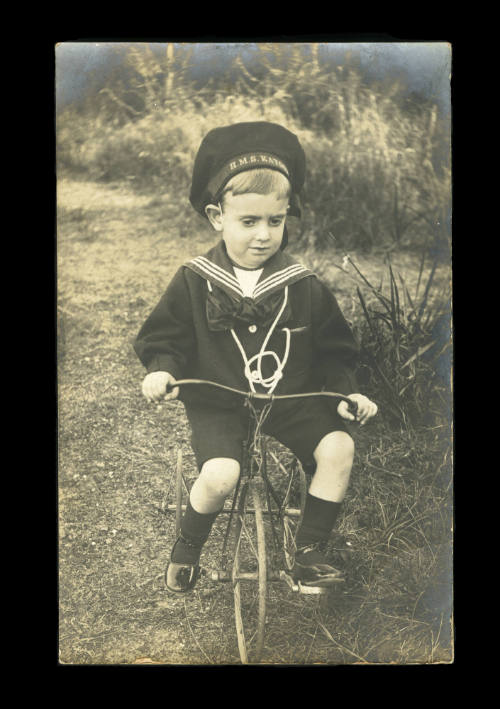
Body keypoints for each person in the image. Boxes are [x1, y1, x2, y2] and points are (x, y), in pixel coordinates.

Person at [134, 121, 378, 594]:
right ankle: (187, 547)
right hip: (220, 399)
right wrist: (162, 369)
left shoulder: (302, 283)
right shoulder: (195, 279)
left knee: (339, 447)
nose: (264, 235)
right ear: (215, 217)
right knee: (222, 473)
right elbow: (166, 335)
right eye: (248, 222)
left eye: (276, 220)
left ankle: (308, 551)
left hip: (292, 397)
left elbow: (334, 348)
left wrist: (347, 391)